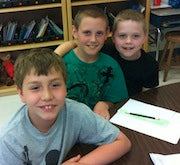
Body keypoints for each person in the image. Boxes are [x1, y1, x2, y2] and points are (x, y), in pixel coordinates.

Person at [0, 48, 131, 165]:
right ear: (21, 94)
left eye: (55, 85)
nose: (47, 96)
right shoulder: (9, 139)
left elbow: (122, 142)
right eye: (35, 87)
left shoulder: (76, 112)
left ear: (66, 88)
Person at [55, 6, 128, 120]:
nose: (93, 39)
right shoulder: (60, 63)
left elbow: (118, 100)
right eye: (87, 33)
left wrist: (105, 104)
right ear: (74, 31)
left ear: (107, 33)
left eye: (99, 33)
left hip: (97, 123)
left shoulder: (112, 66)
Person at [109, 9, 159, 96]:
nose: (128, 41)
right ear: (113, 37)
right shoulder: (105, 55)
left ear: (144, 38)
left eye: (135, 36)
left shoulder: (150, 65)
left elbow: (148, 97)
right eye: (122, 36)